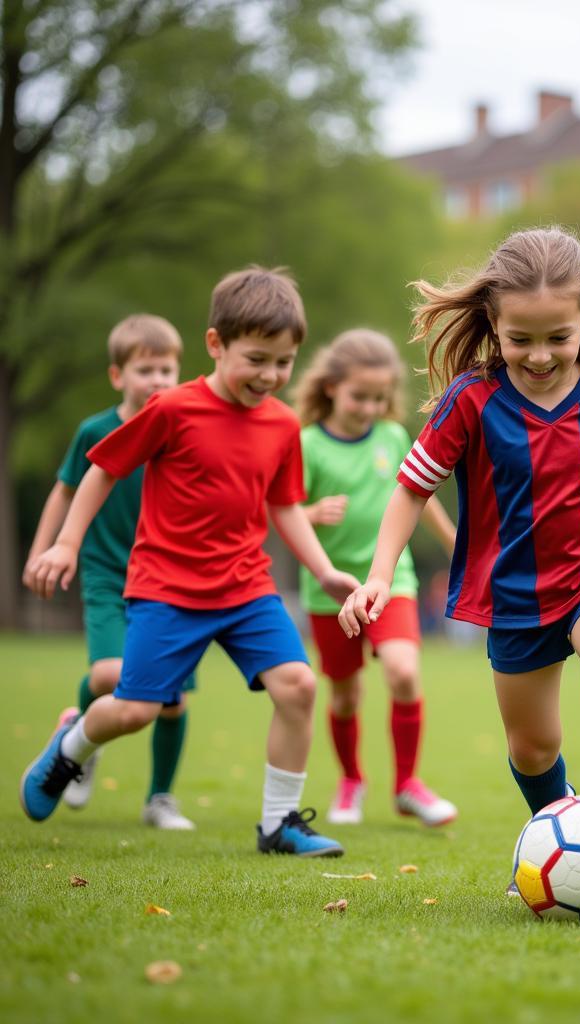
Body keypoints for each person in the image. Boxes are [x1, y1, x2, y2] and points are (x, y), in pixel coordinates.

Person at [339, 227, 580, 888]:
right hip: (514, 594)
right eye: (521, 340)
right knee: (533, 747)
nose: (539, 356)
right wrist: (376, 577)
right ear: (492, 323)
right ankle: (555, 838)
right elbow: (410, 486)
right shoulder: (471, 401)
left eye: (557, 338)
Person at [21, 267, 358, 857]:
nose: (271, 375)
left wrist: (324, 570)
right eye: (256, 359)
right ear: (215, 344)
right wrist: (67, 543)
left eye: (284, 362)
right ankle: (70, 748)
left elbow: (286, 505)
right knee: (134, 711)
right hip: (167, 590)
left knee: (299, 685)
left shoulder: (282, 423)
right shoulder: (171, 409)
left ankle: (279, 826)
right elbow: (102, 470)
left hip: (246, 588)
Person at [23, 315, 197, 830]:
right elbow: (66, 490)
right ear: (117, 375)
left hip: (171, 582)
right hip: (106, 572)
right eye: (146, 369)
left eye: (168, 369)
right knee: (106, 675)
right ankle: (82, 739)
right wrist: (47, 549)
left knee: (172, 698)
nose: (159, 380)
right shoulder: (95, 431)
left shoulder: (182, 426)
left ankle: (160, 798)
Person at [293, 328, 458, 827]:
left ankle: (408, 785)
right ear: (330, 388)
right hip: (331, 592)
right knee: (345, 694)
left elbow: (417, 495)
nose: (369, 407)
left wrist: (455, 543)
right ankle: (351, 782)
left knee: (404, 672)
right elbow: (281, 511)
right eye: (358, 396)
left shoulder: (391, 437)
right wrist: (311, 512)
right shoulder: (307, 444)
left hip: (393, 581)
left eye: (379, 398)